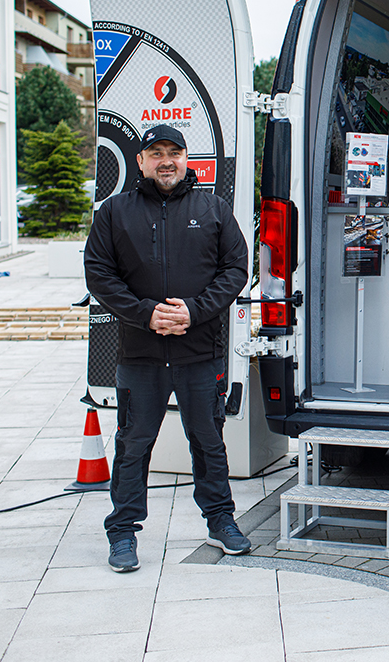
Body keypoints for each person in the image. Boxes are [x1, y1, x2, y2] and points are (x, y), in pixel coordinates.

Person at [84, 124, 250, 573]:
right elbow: (98, 274)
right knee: (133, 445)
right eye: (155, 153)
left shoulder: (213, 209)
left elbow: (236, 268)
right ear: (140, 161)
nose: (165, 161)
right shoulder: (115, 212)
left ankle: (220, 521)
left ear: (186, 159)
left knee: (209, 441)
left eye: (173, 152)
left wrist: (195, 311)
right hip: (141, 355)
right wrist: (145, 314)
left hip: (199, 353)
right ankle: (122, 531)